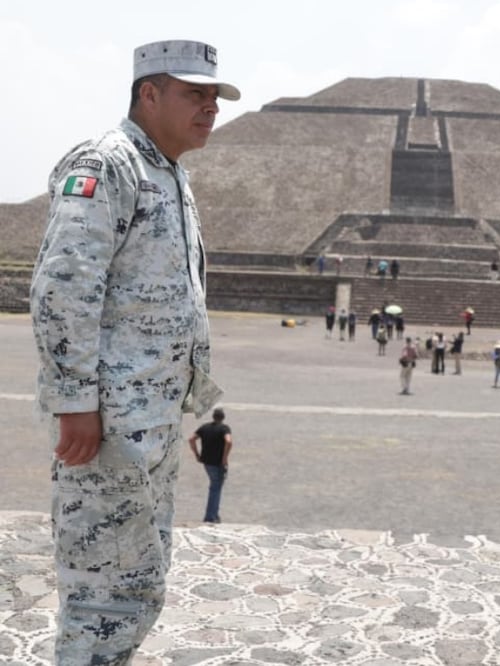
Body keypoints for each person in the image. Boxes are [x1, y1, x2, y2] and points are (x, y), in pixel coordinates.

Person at [29, 39, 239, 663]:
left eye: (213, 96)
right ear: (148, 93)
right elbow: (63, 288)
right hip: (110, 427)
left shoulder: (169, 174)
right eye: (193, 94)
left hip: (150, 424)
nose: (209, 108)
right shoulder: (109, 164)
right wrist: (75, 404)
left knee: (138, 582)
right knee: (103, 596)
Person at [188, 407, 232, 524]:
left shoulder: (205, 427)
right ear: (223, 417)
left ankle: (213, 514)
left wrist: (196, 454)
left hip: (207, 461)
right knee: (215, 488)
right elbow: (228, 441)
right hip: (218, 462)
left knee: (214, 486)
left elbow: (191, 439)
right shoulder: (224, 429)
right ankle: (211, 516)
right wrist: (225, 457)